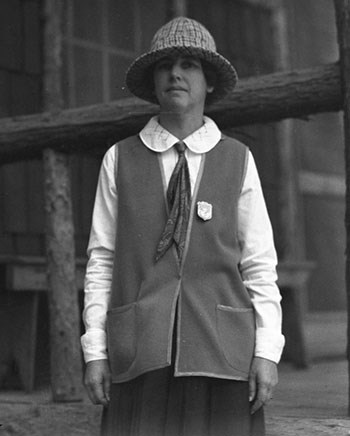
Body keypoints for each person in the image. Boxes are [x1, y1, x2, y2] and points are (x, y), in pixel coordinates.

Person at [81, 16, 285, 436]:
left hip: (221, 356)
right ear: (154, 82)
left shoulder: (238, 160)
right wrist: (95, 351)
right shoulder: (119, 159)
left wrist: (266, 351)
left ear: (208, 81)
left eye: (189, 64)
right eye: (165, 65)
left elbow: (259, 265)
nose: (176, 73)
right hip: (141, 358)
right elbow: (102, 261)